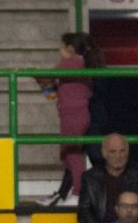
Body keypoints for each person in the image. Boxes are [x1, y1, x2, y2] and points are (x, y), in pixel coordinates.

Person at [36, 31, 97, 204]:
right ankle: (69, 192)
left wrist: (26, 72)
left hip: (73, 115)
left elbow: (47, 76)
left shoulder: (73, 62)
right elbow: (52, 91)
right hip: (71, 114)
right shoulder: (81, 64)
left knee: (73, 154)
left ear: (69, 48)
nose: (60, 52)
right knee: (66, 154)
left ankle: (78, 193)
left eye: (61, 47)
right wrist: (45, 86)